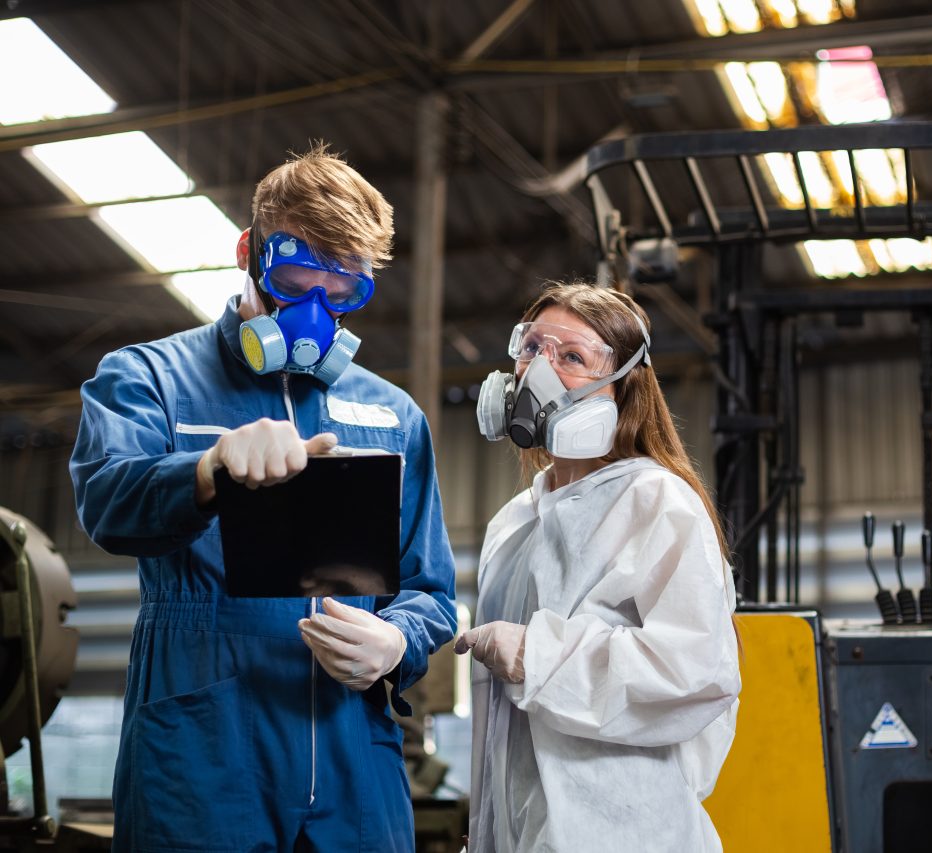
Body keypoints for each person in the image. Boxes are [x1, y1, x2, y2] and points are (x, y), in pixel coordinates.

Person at [69, 143, 457, 852]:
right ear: (249, 251)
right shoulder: (149, 376)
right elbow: (105, 498)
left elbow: (432, 590)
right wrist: (207, 469)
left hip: (353, 753)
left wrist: (398, 639)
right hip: (202, 744)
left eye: (341, 297)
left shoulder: (393, 415)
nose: (315, 318)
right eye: (292, 285)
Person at [455, 282, 741, 852]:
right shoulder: (512, 525)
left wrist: (536, 655)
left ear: (622, 388)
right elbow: (502, 741)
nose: (540, 369)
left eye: (572, 357)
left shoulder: (656, 503)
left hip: (627, 831)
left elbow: (697, 674)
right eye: (532, 347)